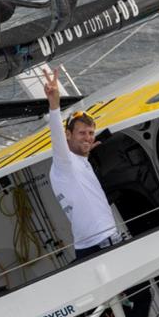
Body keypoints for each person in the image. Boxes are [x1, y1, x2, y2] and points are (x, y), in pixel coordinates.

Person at [43, 67, 119, 260]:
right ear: (68, 134)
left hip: (108, 240)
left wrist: (85, 152)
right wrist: (54, 105)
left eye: (90, 133)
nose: (88, 138)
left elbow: (77, 159)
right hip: (97, 246)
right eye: (81, 133)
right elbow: (57, 137)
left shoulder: (77, 161)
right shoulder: (64, 163)